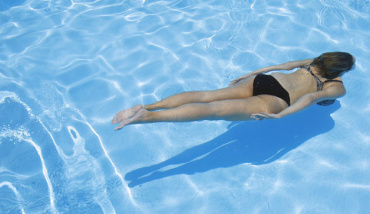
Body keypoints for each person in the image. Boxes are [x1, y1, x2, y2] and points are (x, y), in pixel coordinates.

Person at [112, 51, 355, 131]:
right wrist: (281, 115)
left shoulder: (314, 61)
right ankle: (148, 116)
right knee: (212, 110)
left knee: (207, 96)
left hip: (264, 80)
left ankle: (148, 105)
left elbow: (282, 66)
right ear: (341, 72)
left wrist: (252, 74)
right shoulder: (336, 87)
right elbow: (311, 97)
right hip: (276, 99)